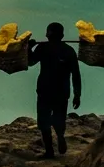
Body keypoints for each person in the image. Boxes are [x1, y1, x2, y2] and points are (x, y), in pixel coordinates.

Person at [27, 22, 81, 158]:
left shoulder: (42, 48)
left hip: (45, 90)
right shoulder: (69, 51)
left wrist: (28, 48)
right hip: (62, 91)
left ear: (47, 34)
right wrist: (77, 94)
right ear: (62, 35)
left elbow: (30, 62)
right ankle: (60, 136)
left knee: (43, 121)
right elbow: (76, 74)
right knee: (59, 118)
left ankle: (49, 151)